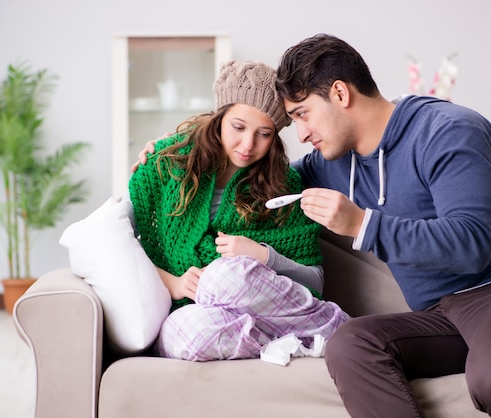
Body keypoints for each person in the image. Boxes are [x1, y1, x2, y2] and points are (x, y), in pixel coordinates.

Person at [271, 34, 491, 417]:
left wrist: (361, 223)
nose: (302, 134)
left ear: (340, 93)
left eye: (302, 114)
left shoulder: (449, 131)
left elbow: (470, 245)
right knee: (351, 344)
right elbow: (260, 184)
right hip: (443, 315)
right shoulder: (332, 162)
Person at [129, 60, 349, 362]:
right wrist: (176, 283)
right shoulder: (164, 167)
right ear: (218, 117)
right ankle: (291, 341)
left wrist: (261, 255)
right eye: (238, 127)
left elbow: (314, 281)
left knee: (225, 276)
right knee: (193, 335)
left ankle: (338, 330)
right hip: (189, 314)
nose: (248, 144)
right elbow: (126, 254)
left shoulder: (282, 185)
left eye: (264, 134)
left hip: (254, 297)